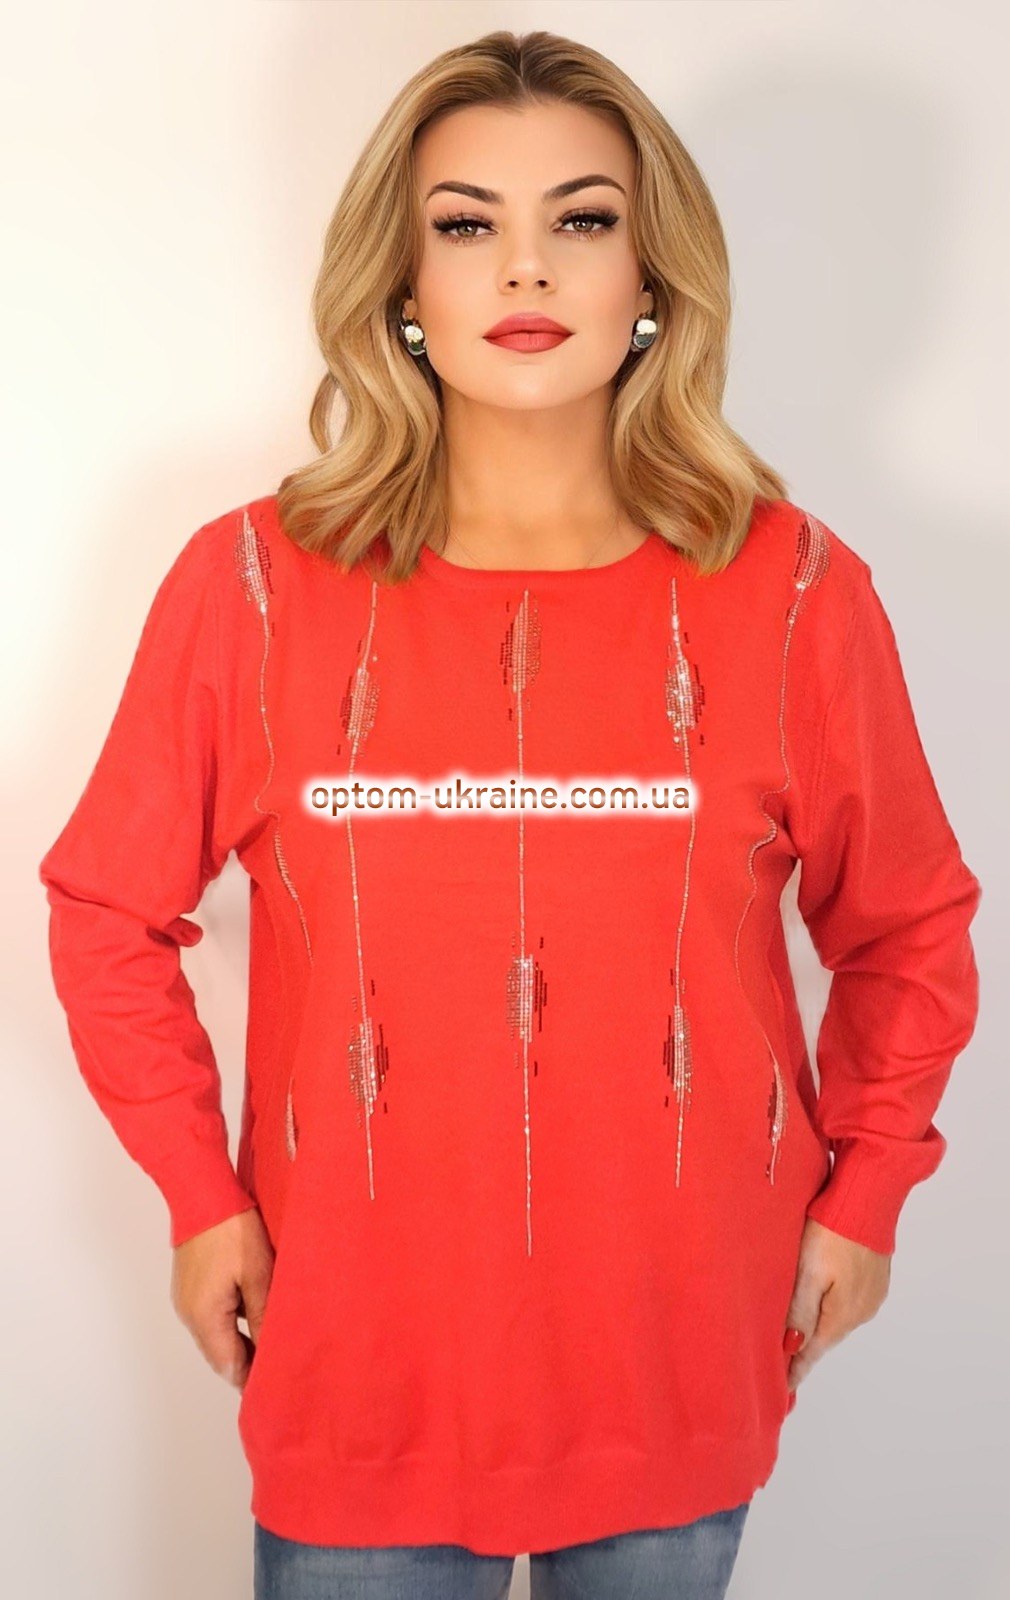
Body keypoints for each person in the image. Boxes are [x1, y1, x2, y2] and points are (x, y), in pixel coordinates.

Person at [38, 29, 981, 1600]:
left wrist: (866, 1193)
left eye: (582, 219)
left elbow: (906, 925)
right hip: (353, 1352)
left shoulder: (792, 593)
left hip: (683, 1337)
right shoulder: (253, 589)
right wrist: (200, 1199)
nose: (525, 267)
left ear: (650, 275)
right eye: (466, 224)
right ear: (400, 281)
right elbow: (104, 910)